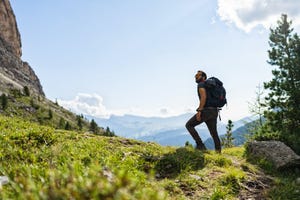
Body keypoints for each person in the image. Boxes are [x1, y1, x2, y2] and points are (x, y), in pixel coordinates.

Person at [185, 70, 221, 153]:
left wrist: (199, 111)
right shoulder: (211, 86)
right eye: (195, 76)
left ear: (203, 77)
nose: (196, 77)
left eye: (198, 75)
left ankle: (200, 145)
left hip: (206, 111)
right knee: (214, 133)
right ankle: (218, 153)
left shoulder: (201, 84)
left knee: (189, 125)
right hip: (214, 111)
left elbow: (203, 97)